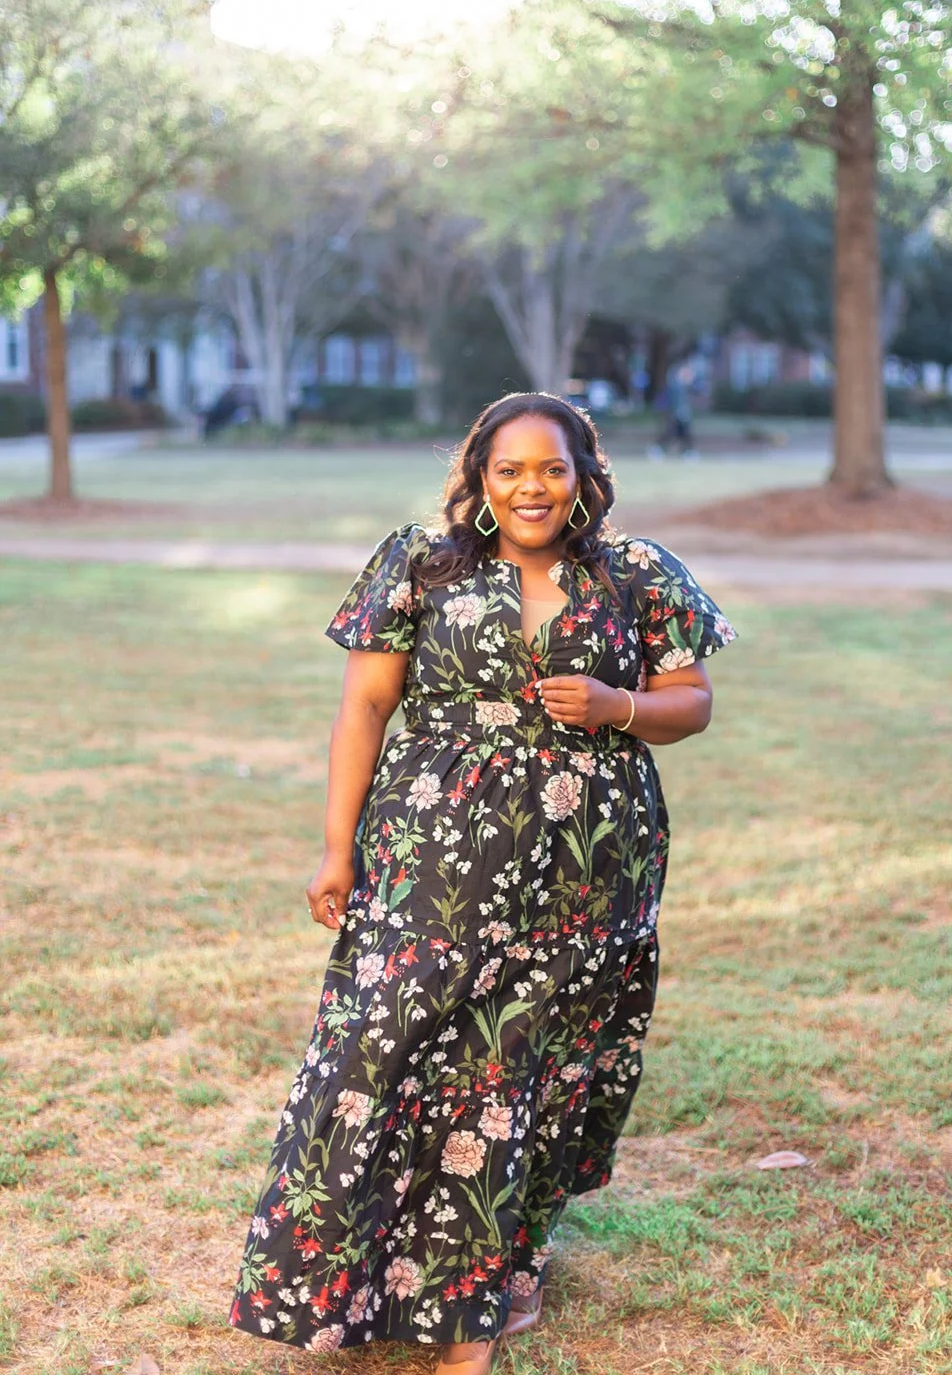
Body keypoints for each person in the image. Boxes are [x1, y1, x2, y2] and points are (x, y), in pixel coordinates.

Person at [229, 391, 737, 1371]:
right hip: (432, 853)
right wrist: (337, 848)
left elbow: (693, 701)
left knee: (533, 1065)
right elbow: (364, 707)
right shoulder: (420, 561)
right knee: (381, 1040)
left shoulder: (637, 574)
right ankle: (351, 1271)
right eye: (509, 470)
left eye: (551, 468)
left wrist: (616, 701)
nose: (531, 487)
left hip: (588, 865)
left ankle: (497, 1271)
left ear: (586, 475)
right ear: (479, 477)